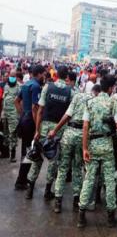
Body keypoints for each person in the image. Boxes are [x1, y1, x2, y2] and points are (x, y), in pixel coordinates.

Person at [26, 66, 73, 200]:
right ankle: (47, 191)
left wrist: (37, 130)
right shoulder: (70, 92)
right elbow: (69, 115)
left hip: (44, 126)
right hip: (59, 129)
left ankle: (30, 189)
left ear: (57, 74)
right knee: (53, 161)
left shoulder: (47, 87)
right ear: (67, 77)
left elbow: (40, 110)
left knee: (37, 157)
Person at [78, 75, 117, 228]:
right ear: (110, 88)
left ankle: (81, 215)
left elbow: (85, 127)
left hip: (93, 146)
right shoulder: (112, 103)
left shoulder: (90, 102)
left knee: (89, 179)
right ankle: (110, 217)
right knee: (109, 180)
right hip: (107, 146)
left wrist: (85, 148)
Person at [48, 76, 92, 213]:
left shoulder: (77, 97)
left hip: (69, 134)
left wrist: (55, 130)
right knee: (77, 168)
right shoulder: (94, 101)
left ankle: (58, 201)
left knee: (62, 168)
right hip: (82, 137)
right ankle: (75, 200)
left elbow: (67, 115)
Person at [14, 65, 45, 190]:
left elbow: (16, 101)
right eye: (43, 74)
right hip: (30, 122)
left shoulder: (26, 84)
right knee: (29, 152)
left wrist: (22, 114)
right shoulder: (36, 86)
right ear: (39, 74)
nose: (44, 77)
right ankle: (21, 181)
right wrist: (37, 128)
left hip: (24, 120)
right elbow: (34, 108)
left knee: (25, 151)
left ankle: (22, 179)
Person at [1, 70, 21, 162]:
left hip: (14, 114)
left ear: (16, 77)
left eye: (13, 76)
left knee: (13, 135)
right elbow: (3, 100)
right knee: (5, 134)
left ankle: (12, 155)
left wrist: (20, 114)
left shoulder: (19, 87)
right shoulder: (6, 86)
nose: (12, 78)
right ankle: (6, 153)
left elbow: (20, 102)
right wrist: (2, 112)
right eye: (11, 76)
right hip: (5, 114)